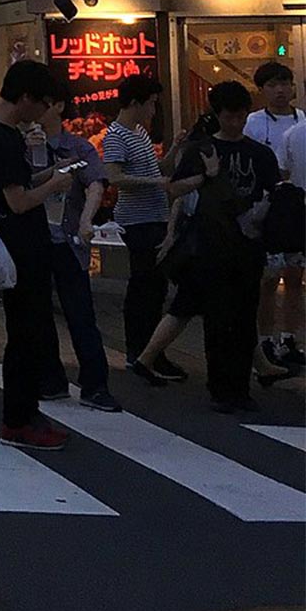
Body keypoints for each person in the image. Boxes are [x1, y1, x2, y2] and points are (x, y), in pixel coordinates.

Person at [0, 59, 77, 450]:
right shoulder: (2, 137)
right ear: (27, 97)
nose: (45, 112)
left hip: (20, 245)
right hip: (20, 247)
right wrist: (54, 186)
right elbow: (16, 202)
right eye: (44, 102)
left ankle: (26, 413)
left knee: (28, 333)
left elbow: (11, 185)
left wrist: (47, 175)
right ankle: (18, 419)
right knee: (26, 333)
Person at [171, 81, 282, 410]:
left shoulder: (259, 154)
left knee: (245, 318)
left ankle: (239, 387)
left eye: (240, 117)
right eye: (229, 117)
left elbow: (272, 192)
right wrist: (206, 177)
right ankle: (221, 388)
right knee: (218, 320)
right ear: (216, 114)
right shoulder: (202, 150)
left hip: (248, 248)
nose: (235, 123)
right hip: (211, 246)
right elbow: (174, 188)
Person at [104, 76, 196, 382]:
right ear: (135, 103)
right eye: (152, 103)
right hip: (137, 219)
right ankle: (139, 350)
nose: (154, 110)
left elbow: (157, 170)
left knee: (155, 287)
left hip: (155, 216)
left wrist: (174, 150)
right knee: (145, 285)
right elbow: (115, 178)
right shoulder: (116, 136)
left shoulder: (140, 132)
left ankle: (152, 352)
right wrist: (157, 182)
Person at [36, 90, 120, 411]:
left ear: (57, 104)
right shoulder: (25, 146)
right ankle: (51, 379)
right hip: (35, 240)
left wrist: (87, 220)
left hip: (68, 240)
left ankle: (95, 384)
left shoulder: (78, 146)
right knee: (40, 315)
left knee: (81, 314)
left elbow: (96, 183)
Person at [244, 61, 303, 372]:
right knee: (268, 278)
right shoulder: (253, 122)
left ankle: (289, 338)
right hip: (268, 207)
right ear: (262, 90)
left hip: (297, 208)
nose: (281, 90)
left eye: (285, 83)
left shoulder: (302, 119)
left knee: (295, 276)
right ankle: (264, 338)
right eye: (273, 85)